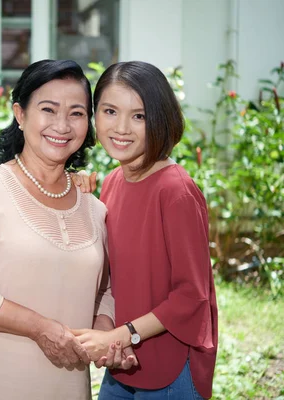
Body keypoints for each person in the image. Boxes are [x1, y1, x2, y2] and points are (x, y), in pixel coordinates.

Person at [0, 59, 135, 400]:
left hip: (67, 387)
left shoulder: (94, 208)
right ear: (20, 115)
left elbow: (106, 290)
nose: (62, 125)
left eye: (77, 113)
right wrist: (40, 328)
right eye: (48, 110)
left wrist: (102, 332)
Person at [73, 61, 219, 399]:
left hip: (171, 368)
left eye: (139, 116)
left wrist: (122, 335)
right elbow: (113, 274)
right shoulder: (111, 183)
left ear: (161, 120)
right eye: (110, 111)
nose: (121, 127)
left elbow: (191, 297)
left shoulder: (175, 190)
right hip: (122, 362)